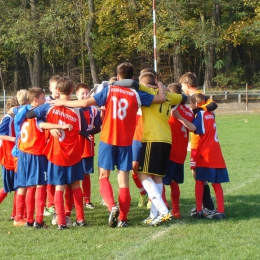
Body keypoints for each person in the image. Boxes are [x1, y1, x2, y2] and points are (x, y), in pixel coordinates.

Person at [49, 62, 166, 228]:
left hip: (108, 139)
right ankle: (123, 219)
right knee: (123, 181)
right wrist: (160, 85)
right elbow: (161, 98)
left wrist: (62, 103)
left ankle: (112, 207)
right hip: (126, 143)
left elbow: (84, 104)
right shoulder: (136, 93)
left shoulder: (110, 90)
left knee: (103, 176)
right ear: (132, 78)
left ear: (118, 77)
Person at [26, 76, 89, 230]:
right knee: (75, 185)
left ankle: (61, 222)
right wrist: (57, 126)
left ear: (58, 91)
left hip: (56, 154)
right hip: (73, 153)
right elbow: (83, 129)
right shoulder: (77, 109)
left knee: (59, 187)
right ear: (72, 90)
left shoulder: (49, 106)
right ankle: (80, 219)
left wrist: (47, 125)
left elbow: (29, 115)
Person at [131, 72, 184, 226]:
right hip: (166, 139)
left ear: (145, 84)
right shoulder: (170, 96)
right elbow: (183, 97)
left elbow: (133, 85)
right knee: (157, 177)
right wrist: (163, 87)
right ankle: (154, 214)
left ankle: (163, 211)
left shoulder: (146, 92)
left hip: (152, 138)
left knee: (142, 174)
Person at [179, 72, 218, 214]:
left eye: (182, 85)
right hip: (197, 141)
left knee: (198, 174)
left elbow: (214, 105)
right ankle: (204, 205)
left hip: (200, 143)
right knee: (197, 174)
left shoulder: (200, 96)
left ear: (188, 85)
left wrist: (198, 109)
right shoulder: (193, 97)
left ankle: (206, 206)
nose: (182, 88)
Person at [189, 93, 229, 219]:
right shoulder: (210, 113)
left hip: (205, 151)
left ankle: (199, 209)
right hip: (216, 151)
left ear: (195, 104)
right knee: (216, 183)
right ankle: (221, 210)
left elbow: (194, 128)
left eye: (190, 104)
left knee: (200, 180)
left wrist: (181, 118)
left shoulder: (200, 114)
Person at [15, 87, 50, 228]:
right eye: (43, 98)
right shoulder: (37, 115)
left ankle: (28, 219)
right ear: (35, 100)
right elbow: (41, 124)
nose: (45, 100)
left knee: (29, 186)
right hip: (36, 154)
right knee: (41, 185)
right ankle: (39, 221)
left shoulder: (23, 113)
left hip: (23, 153)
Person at [162, 83, 196, 219]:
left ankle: (163, 204)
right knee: (174, 181)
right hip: (181, 152)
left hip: (169, 151)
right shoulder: (188, 111)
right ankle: (176, 210)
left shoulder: (170, 109)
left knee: (159, 179)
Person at [75, 83, 102, 209]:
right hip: (74, 145)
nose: (85, 95)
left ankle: (87, 200)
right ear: (77, 95)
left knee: (86, 174)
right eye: (82, 93)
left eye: (87, 93)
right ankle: (73, 200)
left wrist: (88, 132)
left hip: (87, 145)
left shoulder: (94, 110)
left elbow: (98, 127)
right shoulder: (74, 109)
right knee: (73, 174)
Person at [0, 97, 20, 220]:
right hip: (8, 158)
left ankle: (15, 213)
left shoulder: (14, 118)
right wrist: (14, 139)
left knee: (18, 186)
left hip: (12, 157)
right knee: (9, 187)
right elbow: (1, 134)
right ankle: (15, 214)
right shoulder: (8, 119)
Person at [44, 75, 61, 217]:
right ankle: (50, 204)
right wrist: (50, 128)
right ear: (50, 88)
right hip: (48, 145)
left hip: (63, 145)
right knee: (49, 177)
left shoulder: (64, 102)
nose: (57, 90)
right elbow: (37, 121)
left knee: (62, 179)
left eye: (59, 87)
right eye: (54, 87)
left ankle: (61, 204)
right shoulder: (46, 103)